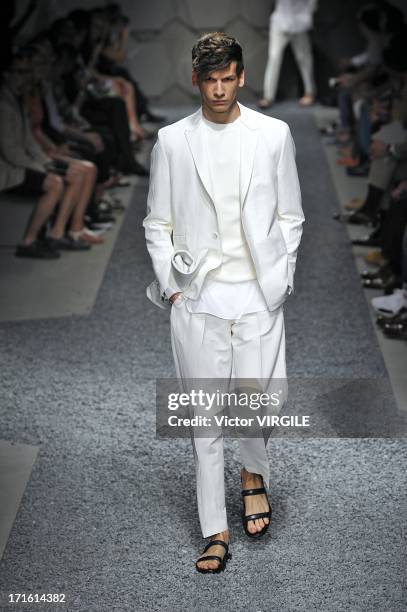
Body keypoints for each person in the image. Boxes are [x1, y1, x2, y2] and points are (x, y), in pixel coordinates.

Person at [143, 32, 304, 573]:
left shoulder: (274, 135)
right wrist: (172, 286)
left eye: (227, 78)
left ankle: (253, 474)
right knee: (205, 420)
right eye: (209, 80)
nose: (218, 89)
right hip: (199, 296)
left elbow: (290, 215)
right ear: (196, 79)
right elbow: (157, 222)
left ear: (240, 76)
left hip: (259, 292)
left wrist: (281, 278)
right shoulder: (171, 141)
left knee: (260, 405)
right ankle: (215, 529)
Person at [259, 0, 318, 109]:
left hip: (300, 23)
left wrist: (306, 18)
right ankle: (268, 97)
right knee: (274, 57)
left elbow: (312, 3)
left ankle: (310, 92)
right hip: (280, 22)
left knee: (304, 58)